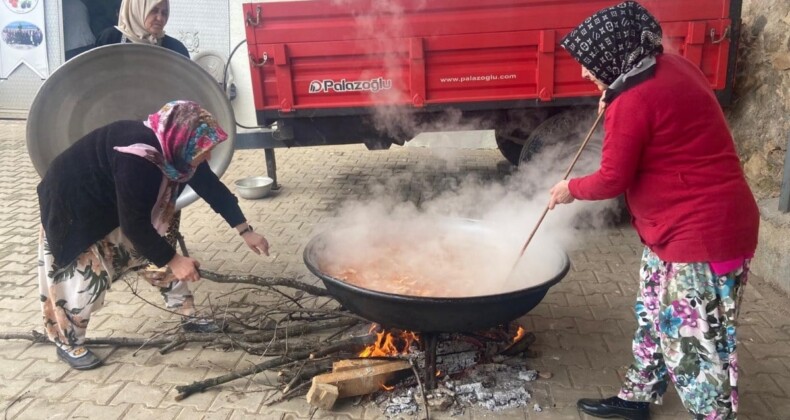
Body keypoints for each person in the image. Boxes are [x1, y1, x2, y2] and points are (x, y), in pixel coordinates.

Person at [548, 2, 759, 419]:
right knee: (651, 314)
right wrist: (615, 93)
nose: (585, 73)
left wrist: (568, 188)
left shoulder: (634, 100)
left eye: (590, 64)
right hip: (672, 228)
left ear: (613, 55)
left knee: (693, 344)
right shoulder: (670, 67)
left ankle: (712, 415)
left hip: (702, 234)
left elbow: (613, 178)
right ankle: (637, 398)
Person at [37, 100, 270, 370]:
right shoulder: (137, 157)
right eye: (204, 152)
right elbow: (135, 225)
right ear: (183, 140)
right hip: (75, 207)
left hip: (120, 204)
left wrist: (245, 230)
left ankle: (187, 313)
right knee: (82, 275)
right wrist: (174, 260)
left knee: (160, 245)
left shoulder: (179, 150)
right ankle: (67, 341)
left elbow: (211, 187)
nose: (207, 157)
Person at [95, 0, 189, 58]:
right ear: (136, 9)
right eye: (154, 10)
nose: (160, 18)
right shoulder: (110, 39)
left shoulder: (176, 50)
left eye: (164, 13)